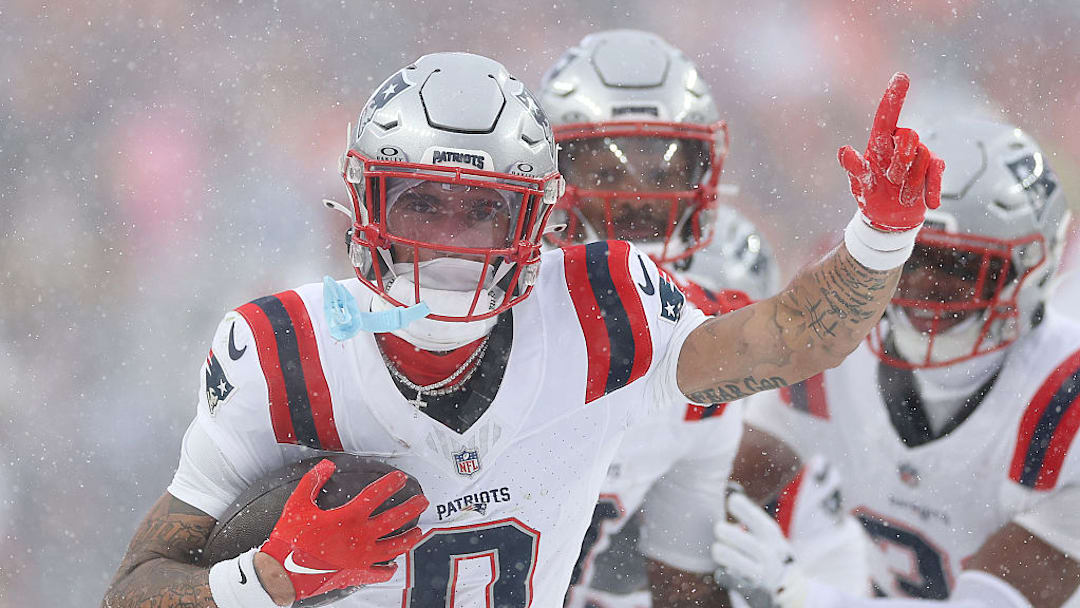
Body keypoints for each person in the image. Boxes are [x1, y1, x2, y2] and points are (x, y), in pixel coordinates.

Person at [101, 51, 943, 608]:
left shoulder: (601, 305)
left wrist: (881, 235)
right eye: (421, 201)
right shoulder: (284, 352)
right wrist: (266, 578)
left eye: (481, 210)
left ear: (537, 219)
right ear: (365, 205)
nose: (446, 238)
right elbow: (134, 590)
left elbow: (790, 340)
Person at [713, 117, 1080, 607]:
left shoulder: (1063, 404)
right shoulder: (836, 348)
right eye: (912, 257)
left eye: (959, 268)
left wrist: (803, 596)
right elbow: (708, 494)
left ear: (1030, 271)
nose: (925, 289)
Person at [535, 30, 782, 607]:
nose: (641, 198)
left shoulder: (733, 270)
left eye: (666, 170)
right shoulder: (511, 288)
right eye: (607, 171)